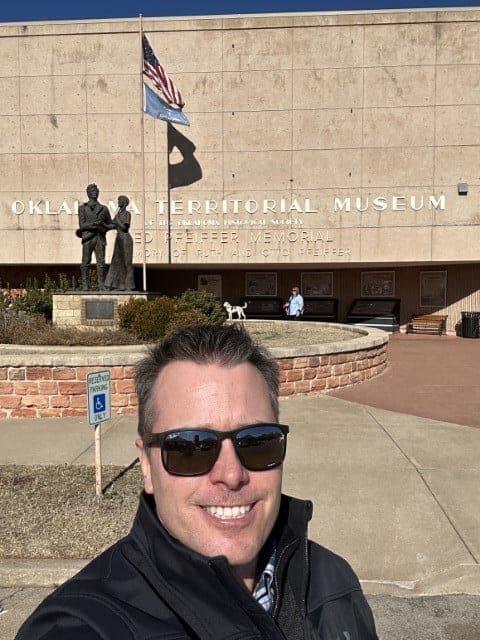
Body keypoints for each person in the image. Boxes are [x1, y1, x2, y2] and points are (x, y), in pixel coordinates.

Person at [16, 324, 378, 640]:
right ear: (146, 464)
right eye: (191, 447)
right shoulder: (82, 625)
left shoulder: (332, 580)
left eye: (256, 441)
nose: (232, 474)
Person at [76, 183, 114, 290]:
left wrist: (103, 225)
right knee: (85, 262)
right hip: (88, 237)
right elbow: (82, 225)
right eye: (92, 191)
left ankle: (101, 285)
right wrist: (94, 225)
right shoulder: (82, 208)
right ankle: (85, 285)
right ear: (88, 193)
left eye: (96, 191)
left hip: (100, 238)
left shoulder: (104, 208)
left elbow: (111, 224)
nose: (95, 193)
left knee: (101, 262)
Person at [104, 195, 135, 291]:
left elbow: (125, 228)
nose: (118, 201)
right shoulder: (118, 214)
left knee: (127, 262)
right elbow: (112, 226)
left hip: (125, 238)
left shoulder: (127, 214)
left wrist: (116, 221)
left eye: (120, 200)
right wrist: (102, 224)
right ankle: (118, 285)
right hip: (119, 239)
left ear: (125, 203)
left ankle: (129, 286)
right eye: (118, 200)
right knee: (116, 261)